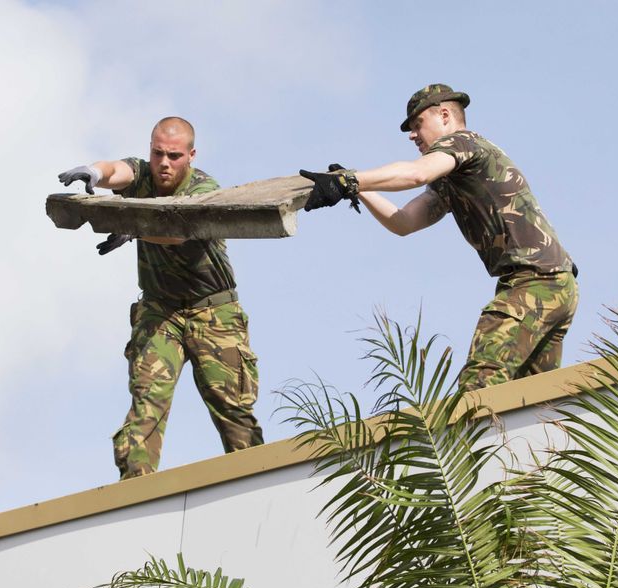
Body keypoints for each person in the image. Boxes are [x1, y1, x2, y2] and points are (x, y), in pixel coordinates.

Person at [299, 84, 578, 392]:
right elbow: (404, 222)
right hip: (553, 283)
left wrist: (347, 180)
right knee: (530, 399)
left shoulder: (465, 143)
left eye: (418, 124)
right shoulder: (451, 180)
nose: (412, 135)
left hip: (535, 281)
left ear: (445, 116)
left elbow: (416, 174)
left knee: (479, 387)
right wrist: (358, 187)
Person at [58, 117, 263, 480]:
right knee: (146, 406)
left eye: (173, 156)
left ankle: (255, 482)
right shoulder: (142, 175)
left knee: (231, 406)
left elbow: (179, 232)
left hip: (212, 311)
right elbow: (117, 171)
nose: (164, 163)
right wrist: (95, 172)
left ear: (191, 156)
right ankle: (135, 491)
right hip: (160, 310)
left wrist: (132, 228)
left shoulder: (204, 189)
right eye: (157, 154)